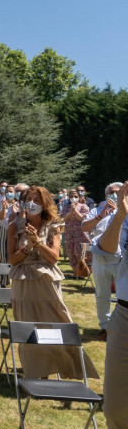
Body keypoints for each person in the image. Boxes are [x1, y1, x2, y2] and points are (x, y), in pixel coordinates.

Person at [7, 185, 98, 379]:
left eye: (37, 200)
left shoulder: (53, 225)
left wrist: (38, 243)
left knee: (55, 322)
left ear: (45, 204)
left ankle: (66, 366)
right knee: (27, 326)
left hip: (47, 281)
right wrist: (27, 248)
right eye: (29, 199)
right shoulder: (15, 226)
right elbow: (11, 260)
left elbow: (54, 257)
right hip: (22, 281)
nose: (32, 203)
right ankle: (34, 372)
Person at [95, 181, 128, 427]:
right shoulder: (125, 215)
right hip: (125, 317)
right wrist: (120, 216)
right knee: (116, 409)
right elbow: (106, 252)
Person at [82, 182, 122, 341]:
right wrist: (100, 216)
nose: (114, 195)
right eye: (111, 192)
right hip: (100, 258)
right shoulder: (97, 210)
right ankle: (105, 327)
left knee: (123, 294)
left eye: (118, 192)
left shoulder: (125, 210)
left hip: (121, 259)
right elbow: (84, 227)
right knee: (102, 294)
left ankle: (120, 326)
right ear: (106, 195)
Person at [62, 188, 91, 276]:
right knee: (70, 251)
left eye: (75, 196)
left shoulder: (84, 207)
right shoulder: (66, 207)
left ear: (79, 197)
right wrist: (70, 211)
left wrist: (75, 210)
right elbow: (64, 219)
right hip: (69, 232)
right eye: (71, 196)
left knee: (78, 251)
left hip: (80, 232)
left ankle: (82, 270)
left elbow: (82, 219)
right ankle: (75, 271)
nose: (73, 198)